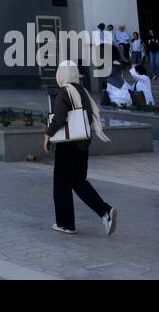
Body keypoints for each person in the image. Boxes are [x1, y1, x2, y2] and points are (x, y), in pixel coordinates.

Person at [44, 59, 117, 236]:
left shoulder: (65, 91)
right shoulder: (83, 91)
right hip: (82, 143)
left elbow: (59, 118)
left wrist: (48, 134)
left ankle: (66, 224)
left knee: (61, 184)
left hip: (67, 144)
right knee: (78, 181)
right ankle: (105, 211)